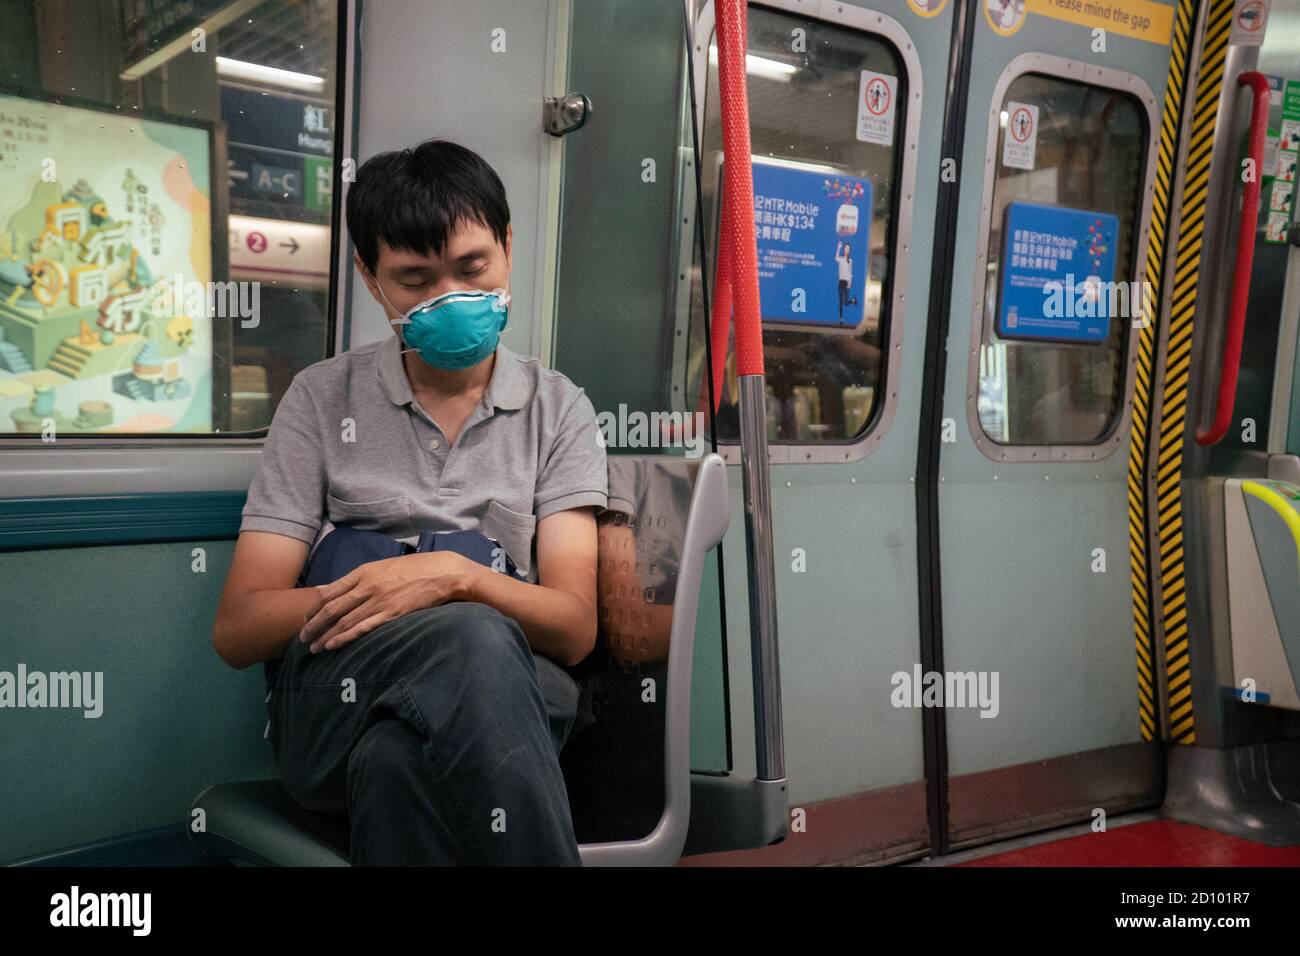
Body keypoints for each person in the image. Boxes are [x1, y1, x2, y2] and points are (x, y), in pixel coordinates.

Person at [211, 139, 608, 866]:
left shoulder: (559, 410)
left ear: (508, 247)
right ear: (370, 278)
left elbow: (575, 629)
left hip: (509, 705)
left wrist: (455, 580)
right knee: (470, 639)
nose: (447, 298)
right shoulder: (322, 399)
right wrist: (386, 594)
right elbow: (240, 627)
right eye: (415, 280)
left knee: (399, 761)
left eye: (471, 268)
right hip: (336, 701)